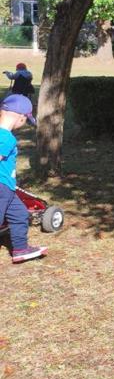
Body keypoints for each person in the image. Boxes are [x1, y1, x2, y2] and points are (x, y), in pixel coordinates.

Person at [0, 95, 46, 263]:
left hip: (8, 188)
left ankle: (20, 249)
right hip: (2, 187)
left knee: (19, 214)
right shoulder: (6, 138)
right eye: (25, 120)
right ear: (20, 118)